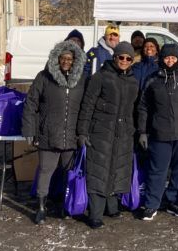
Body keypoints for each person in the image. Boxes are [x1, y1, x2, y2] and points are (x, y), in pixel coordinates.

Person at [22, 40, 87, 224]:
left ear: (75, 61)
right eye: (63, 58)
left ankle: (65, 206)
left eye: (70, 58)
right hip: (48, 134)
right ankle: (41, 207)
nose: (66, 61)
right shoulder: (44, 77)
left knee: (69, 172)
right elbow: (30, 104)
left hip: (71, 136)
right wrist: (29, 128)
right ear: (56, 59)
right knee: (45, 170)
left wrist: (83, 133)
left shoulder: (82, 79)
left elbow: (86, 107)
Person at [76, 42, 139, 229]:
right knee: (99, 170)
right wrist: (82, 131)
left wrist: (134, 130)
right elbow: (87, 105)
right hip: (101, 131)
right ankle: (95, 214)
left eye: (129, 58)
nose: (125, 61)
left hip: (123, 133)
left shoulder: (133, 82)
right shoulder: (100, 77)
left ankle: (111, 207)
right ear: (115, 57)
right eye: (121, 57)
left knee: (117, 168)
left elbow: (134, 109)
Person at [138, 44, 178, 220]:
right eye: (166, 58)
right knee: (157, 171)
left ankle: (174, 202)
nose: (170, 61)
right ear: (161, 59)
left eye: (173, 58)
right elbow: (143, 107)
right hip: (159, 134)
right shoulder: (152, 80)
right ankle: (151, 204)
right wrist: (142, 131)